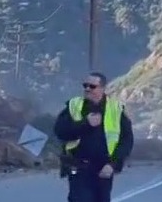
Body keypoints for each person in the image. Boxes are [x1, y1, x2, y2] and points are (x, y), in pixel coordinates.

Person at [53, 72, 134, 202]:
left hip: (104, 169)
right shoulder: (74, 105)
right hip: (78, 167)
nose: (87, 89)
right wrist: (86, 124)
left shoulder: (116, 109)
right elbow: (60, 131)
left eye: (92, 86)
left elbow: (127, 140)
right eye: (85, 85)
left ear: (102, 88)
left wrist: (112, 164)